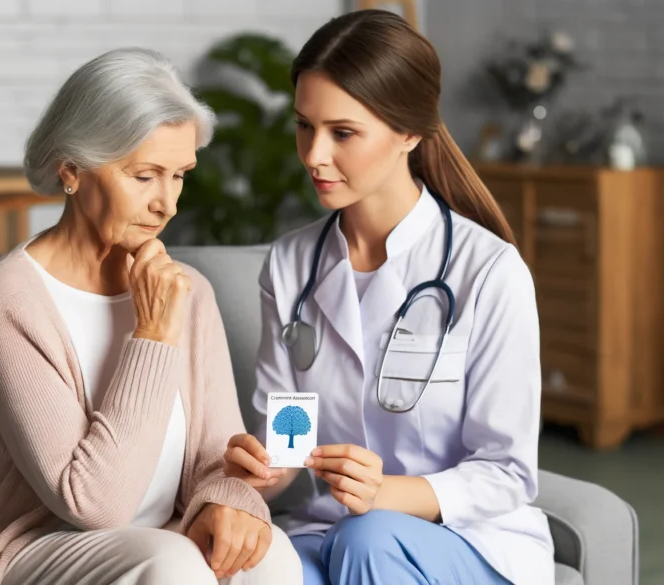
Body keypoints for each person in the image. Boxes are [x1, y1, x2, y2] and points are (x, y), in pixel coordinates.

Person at [0, 48, 301, 585]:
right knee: (172, 565)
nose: (167, 203)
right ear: (72, 168)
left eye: (180, 175)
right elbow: (93, 505)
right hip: (20, 549)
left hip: (155, 540)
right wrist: (153, 334)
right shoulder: (9, 300)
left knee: (271, 554)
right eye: (144, 176)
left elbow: (217, 457)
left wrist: (229, 497)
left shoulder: (190, 292)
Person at [222, 10, 555, 585]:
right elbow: (290, 436)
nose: (313, 155)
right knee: (254, 570)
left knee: (368, 537)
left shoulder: (489, 271)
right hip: (331, 530)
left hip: (469, 540)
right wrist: (264, 469)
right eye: (305, 126)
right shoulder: (290, 264)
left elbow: (506, 471)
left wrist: (387, 494)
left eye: (342, 133)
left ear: (408, 133)